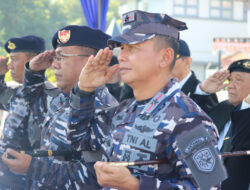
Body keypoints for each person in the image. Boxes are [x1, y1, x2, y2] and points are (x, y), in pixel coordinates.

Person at [66, 10, 226, 189]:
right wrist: (84, 90)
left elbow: (209, 187)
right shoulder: (124, 111)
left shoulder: (189, 119)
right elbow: (79, 139)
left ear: (165, 57)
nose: (122, 56)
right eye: (123, 48)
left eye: (133, 48)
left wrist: (135, 185)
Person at [2, 25, 118, 190]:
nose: (54, 65)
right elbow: (32, 106)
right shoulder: (62, 99)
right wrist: (33, 73)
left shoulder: (103, 108)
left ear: (91, 61)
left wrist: (33, 168)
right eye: (55, 57)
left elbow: (97, 178)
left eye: (62, 57)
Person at [0, 35, 46, 190]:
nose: (10, 66)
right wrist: (0, 73)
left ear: (33, 61)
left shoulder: (47, 97)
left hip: (27, 182)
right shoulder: (19, 92)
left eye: (14, 59)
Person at [201, 59, 250, 190]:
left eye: (238, 80)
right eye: (230, 80)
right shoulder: (224, 107)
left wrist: (246, 105)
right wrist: (203, 92)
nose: (230, 86)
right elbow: (190, 124)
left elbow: (241, 139)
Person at [171, 39, 219, 114]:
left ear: (187, 62)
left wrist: (202, 92)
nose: (166, 64)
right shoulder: (161, 87)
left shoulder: (202, 92)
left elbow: (211, 119)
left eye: (172, 59)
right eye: (165, 58)